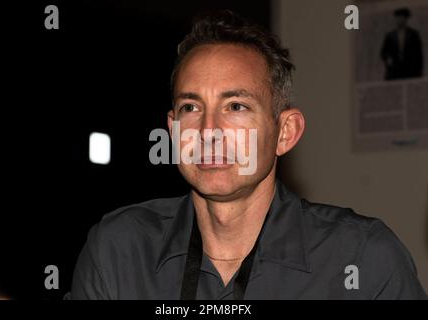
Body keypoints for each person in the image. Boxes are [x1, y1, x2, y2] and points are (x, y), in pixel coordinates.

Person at [70, 10, 426, 299]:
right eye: (191, 107)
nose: (208, 131)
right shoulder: (118, 249)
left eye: (236, 106)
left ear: (285, 132)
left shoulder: (362, 258)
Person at [381, 7, 423, 80]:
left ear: (406, 19)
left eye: (402, 17)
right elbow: (384, 52)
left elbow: (418, 54)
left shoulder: (413, 34)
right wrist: (388, 60)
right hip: (394, 71)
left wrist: (419, 71)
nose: (400, 19)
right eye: (398, 17)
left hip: (410, 71)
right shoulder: (390, 36)